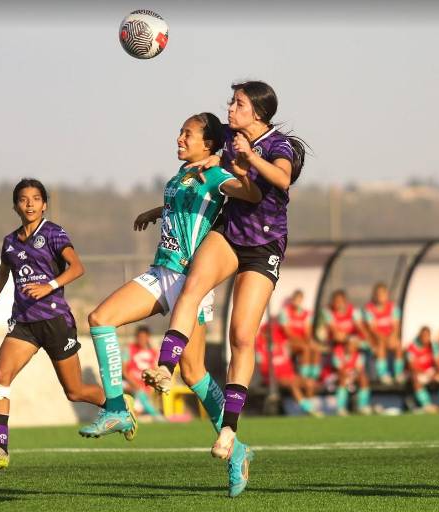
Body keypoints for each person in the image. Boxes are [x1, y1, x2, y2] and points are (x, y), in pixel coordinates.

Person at [144, 81, 307, 497]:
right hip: (231, 233)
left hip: (264, 245)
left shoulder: (278, 144)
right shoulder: (234, 141)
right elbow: (215, 170)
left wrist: (250, 157)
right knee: (192, 287)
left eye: (238, 104)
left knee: (240, 337)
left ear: (258, 112)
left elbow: (282, 181)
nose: (230, 109)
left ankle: (230, 434)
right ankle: (166, 365)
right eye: (231, 103)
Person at [79, 112, 261, 438]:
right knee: (100, 318)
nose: (179, 138)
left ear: (208, 144)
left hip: (190, 281)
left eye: (187, 134)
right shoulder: (183, 172)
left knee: (193, 374)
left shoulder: (215, 173)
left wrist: (243, 173)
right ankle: (118, 409)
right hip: (162, 271)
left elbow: (248, 194)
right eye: (180, 132)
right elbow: (184, 204)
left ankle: (234, 447)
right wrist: (156, 212)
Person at [0, 179, 109, 469]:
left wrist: (49, 285)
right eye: (23, 199)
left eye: (36, 198)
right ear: (15, 206)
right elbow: (2, 275)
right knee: (0, 377)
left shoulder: (54, 233)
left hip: (55, 320)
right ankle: (0, 447)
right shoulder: (10, 242)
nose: (30, 203)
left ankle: (119, 405)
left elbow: (77, 267)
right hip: (24, 323)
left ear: (44, 204)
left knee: (75, 391)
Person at [255, 319, 320, 416]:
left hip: (289, 375)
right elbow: (260, 365)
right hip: (273, 378)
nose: (271, 334)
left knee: (309, 383)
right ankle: (308, 410)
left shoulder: (282, 343)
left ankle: (308, 406)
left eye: (272, 332)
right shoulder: (260, 346)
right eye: (268, 332)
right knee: (292, 384)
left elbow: (297, 346)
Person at [278, 289, 321, 398]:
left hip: (301, 342)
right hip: (289, 343)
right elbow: (288, 333)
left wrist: (310, 342)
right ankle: (304, 377)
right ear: (292, 300)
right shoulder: (285, 312)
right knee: (306, 349)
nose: (297, 302)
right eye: (295, 300)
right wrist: (304, 343)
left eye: (299, 300)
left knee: (315, 349)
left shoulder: (306, 313)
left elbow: (307, 332)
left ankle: (313, 377)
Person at [364, 283, 404, 385]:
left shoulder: (393, 308)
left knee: (397, 345)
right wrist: (384, 339)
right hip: (375, 339)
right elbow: (372, 329)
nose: (381, 297)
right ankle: (383, 374)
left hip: (389, 337)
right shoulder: (369, 309)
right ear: (374, 295)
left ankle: (398, 373)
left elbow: (396, 326)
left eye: (383, 294)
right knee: (380, 345)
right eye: (378, 294)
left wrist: (392, 337)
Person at [406, 326, 439, 413]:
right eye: (424, 336)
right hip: (419, 373)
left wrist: (438, 371)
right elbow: (412, 366)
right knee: (415, 379)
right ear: (420, 336)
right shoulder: (412, 347)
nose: (426, 338)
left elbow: (438, 362)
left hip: (431, 371)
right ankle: (427, 405)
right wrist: (426, 374)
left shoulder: (434, 346)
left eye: (428, 336)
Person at [122, 326, 163, 419]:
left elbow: (155, 372)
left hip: (144, 386)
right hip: (127, 382)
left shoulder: (153, 353)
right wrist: (133, 383)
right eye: (140, 337)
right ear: (136, 337)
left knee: (137, 410)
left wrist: (151, 386)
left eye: (144, 337)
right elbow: (124, 371)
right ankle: (158, 417)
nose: (142, 340)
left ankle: (151, 416)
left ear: (148, 337)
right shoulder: (129, 349)